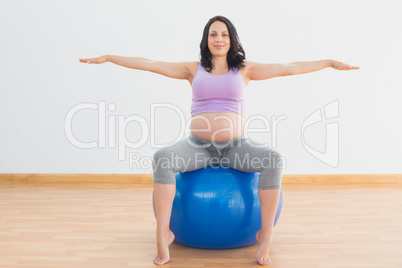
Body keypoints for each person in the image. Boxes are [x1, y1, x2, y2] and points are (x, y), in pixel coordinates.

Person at [79, 15, 359, 266]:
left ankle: (265, 235)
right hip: (198, 147)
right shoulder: (193, 68)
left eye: (224, 34)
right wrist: (109, 57)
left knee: (274, 160)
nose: (219, 38)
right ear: (206, 40)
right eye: (213, 34)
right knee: (161, 159)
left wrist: (328, 63)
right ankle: (163, 232)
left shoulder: (245, 69)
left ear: (232, 39)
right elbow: (150, 65)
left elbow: (288, 67)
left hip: (237, 147)